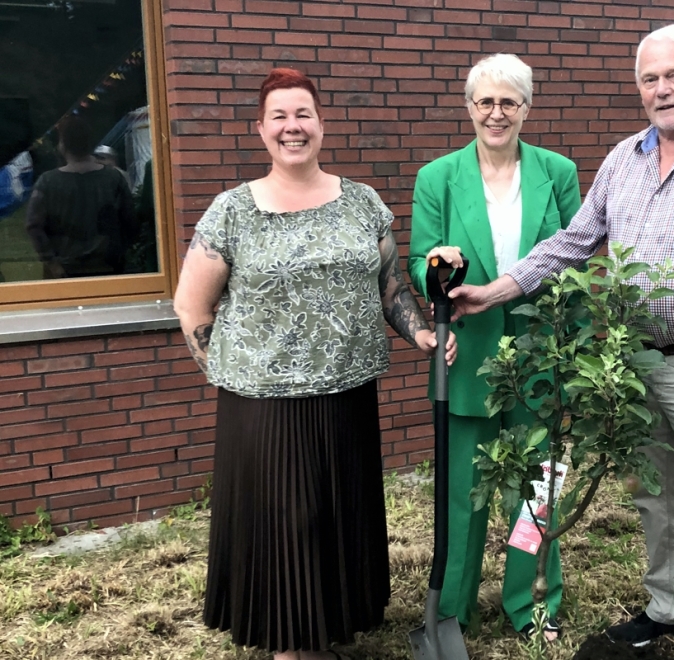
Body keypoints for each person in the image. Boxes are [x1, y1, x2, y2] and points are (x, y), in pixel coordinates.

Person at [439, 24, 674, 660]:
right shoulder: (623, 160)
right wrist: (491, 292)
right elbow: (572, 244)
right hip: (634, 364)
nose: (662, 90)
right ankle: (673, 612)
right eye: (649, 79)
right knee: (658, 500)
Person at [173, 68, 456, 660]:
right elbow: (191, 302)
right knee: (285, 525)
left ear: (321, 124)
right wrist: (227, 372)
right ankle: (290, 646)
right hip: (264, 405)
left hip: (348, 393)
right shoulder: (233, 211)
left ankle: (323, 630)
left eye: (302, 114)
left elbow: (390, 288)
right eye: (279, 116)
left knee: (334, 516)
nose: (292, 127)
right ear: (260, 130)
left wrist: (421, 334)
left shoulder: (362, 203)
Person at [407, 53, 581, 641]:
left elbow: (576, 255)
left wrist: (571, 355)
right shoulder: (438, 178)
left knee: (536, 493)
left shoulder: (557, 172)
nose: (496, 113)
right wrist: (439, 263)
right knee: (463, 499)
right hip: (466, 358)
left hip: (540, 359)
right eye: (485, 101)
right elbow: (419, 261)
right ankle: (452, 610)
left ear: (527, 109)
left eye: (509, 101)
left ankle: (532, 603)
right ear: (469, 108)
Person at [24, 115, 134, 278]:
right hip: (108, 269)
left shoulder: (47, 182)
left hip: (64, 271)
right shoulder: (114, 178)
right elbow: (130, 221)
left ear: (62, 146)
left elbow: (33, 226)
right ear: (90, 143)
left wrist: (52, 263)